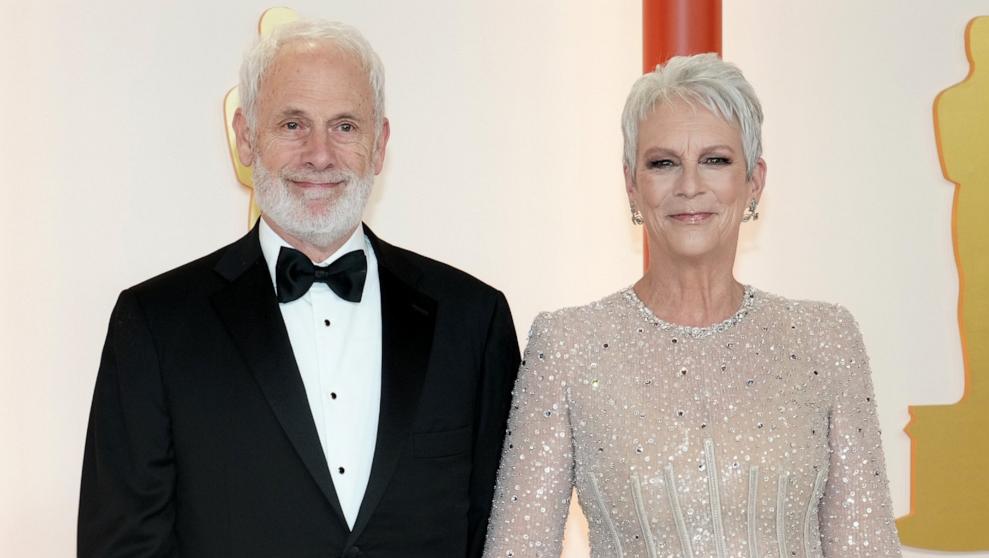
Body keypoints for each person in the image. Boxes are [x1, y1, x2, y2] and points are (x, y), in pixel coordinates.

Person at [78, 19, 520, 558]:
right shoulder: (154, 324)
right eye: (292, 125)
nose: (319, 155)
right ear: (246, 136)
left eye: (345, 127)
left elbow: (499, 535)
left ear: (379, 145)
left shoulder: (473, 320)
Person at [483, 53, 902, 557]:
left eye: (715, 160)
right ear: (632, 186)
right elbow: (517, 548)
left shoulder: (824, 340)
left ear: (754, 181)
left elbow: (867, 546)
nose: (689, 186)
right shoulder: (568, 347)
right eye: (663, 163)